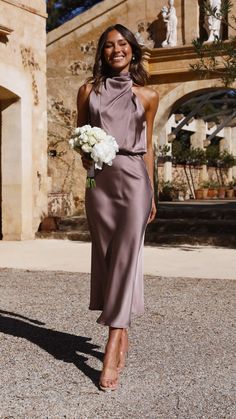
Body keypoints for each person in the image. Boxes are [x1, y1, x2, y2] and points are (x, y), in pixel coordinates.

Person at [76, 24, 159, 391]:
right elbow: (80, 138)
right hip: (99, 183)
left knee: (127, 256)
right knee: (109, 258)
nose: (116, 50)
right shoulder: (87, 92)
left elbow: (149, 148)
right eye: (109, 46)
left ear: (133, 50)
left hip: (134, 182)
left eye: (123, 44)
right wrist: (90, 157)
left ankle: (112, 343)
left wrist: (152, 193)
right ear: (102, 53)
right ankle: (123, 327)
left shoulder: (148, 96)